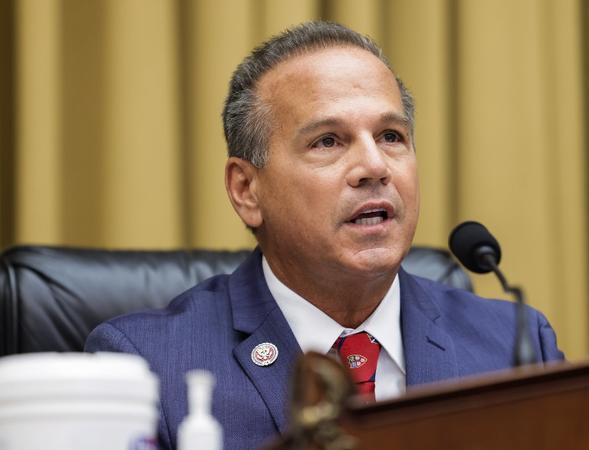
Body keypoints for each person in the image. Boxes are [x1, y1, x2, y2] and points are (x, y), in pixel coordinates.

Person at [85, 21, 564, 450]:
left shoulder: (515, 347)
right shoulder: (146, 366)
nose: (374, 166)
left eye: (391, 136)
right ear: (246, 189)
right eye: (328, 141)